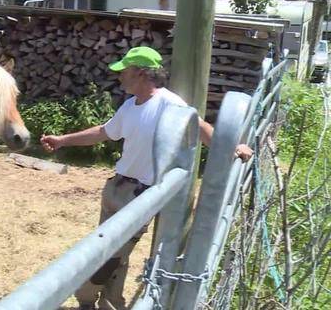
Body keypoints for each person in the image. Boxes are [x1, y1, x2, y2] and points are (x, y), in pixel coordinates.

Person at [40, 46, 253, 310]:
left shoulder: (170, 104)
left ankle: (84, 298)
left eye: (124, 71)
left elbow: (200, 127)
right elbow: (103, 132)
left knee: (108, 255)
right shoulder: (131, 105)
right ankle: (112, 304)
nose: (120, 77)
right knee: (114, 252)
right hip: (117, 188)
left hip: (139, 195)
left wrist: (232, 149)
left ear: (141, 73)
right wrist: (62, 141)